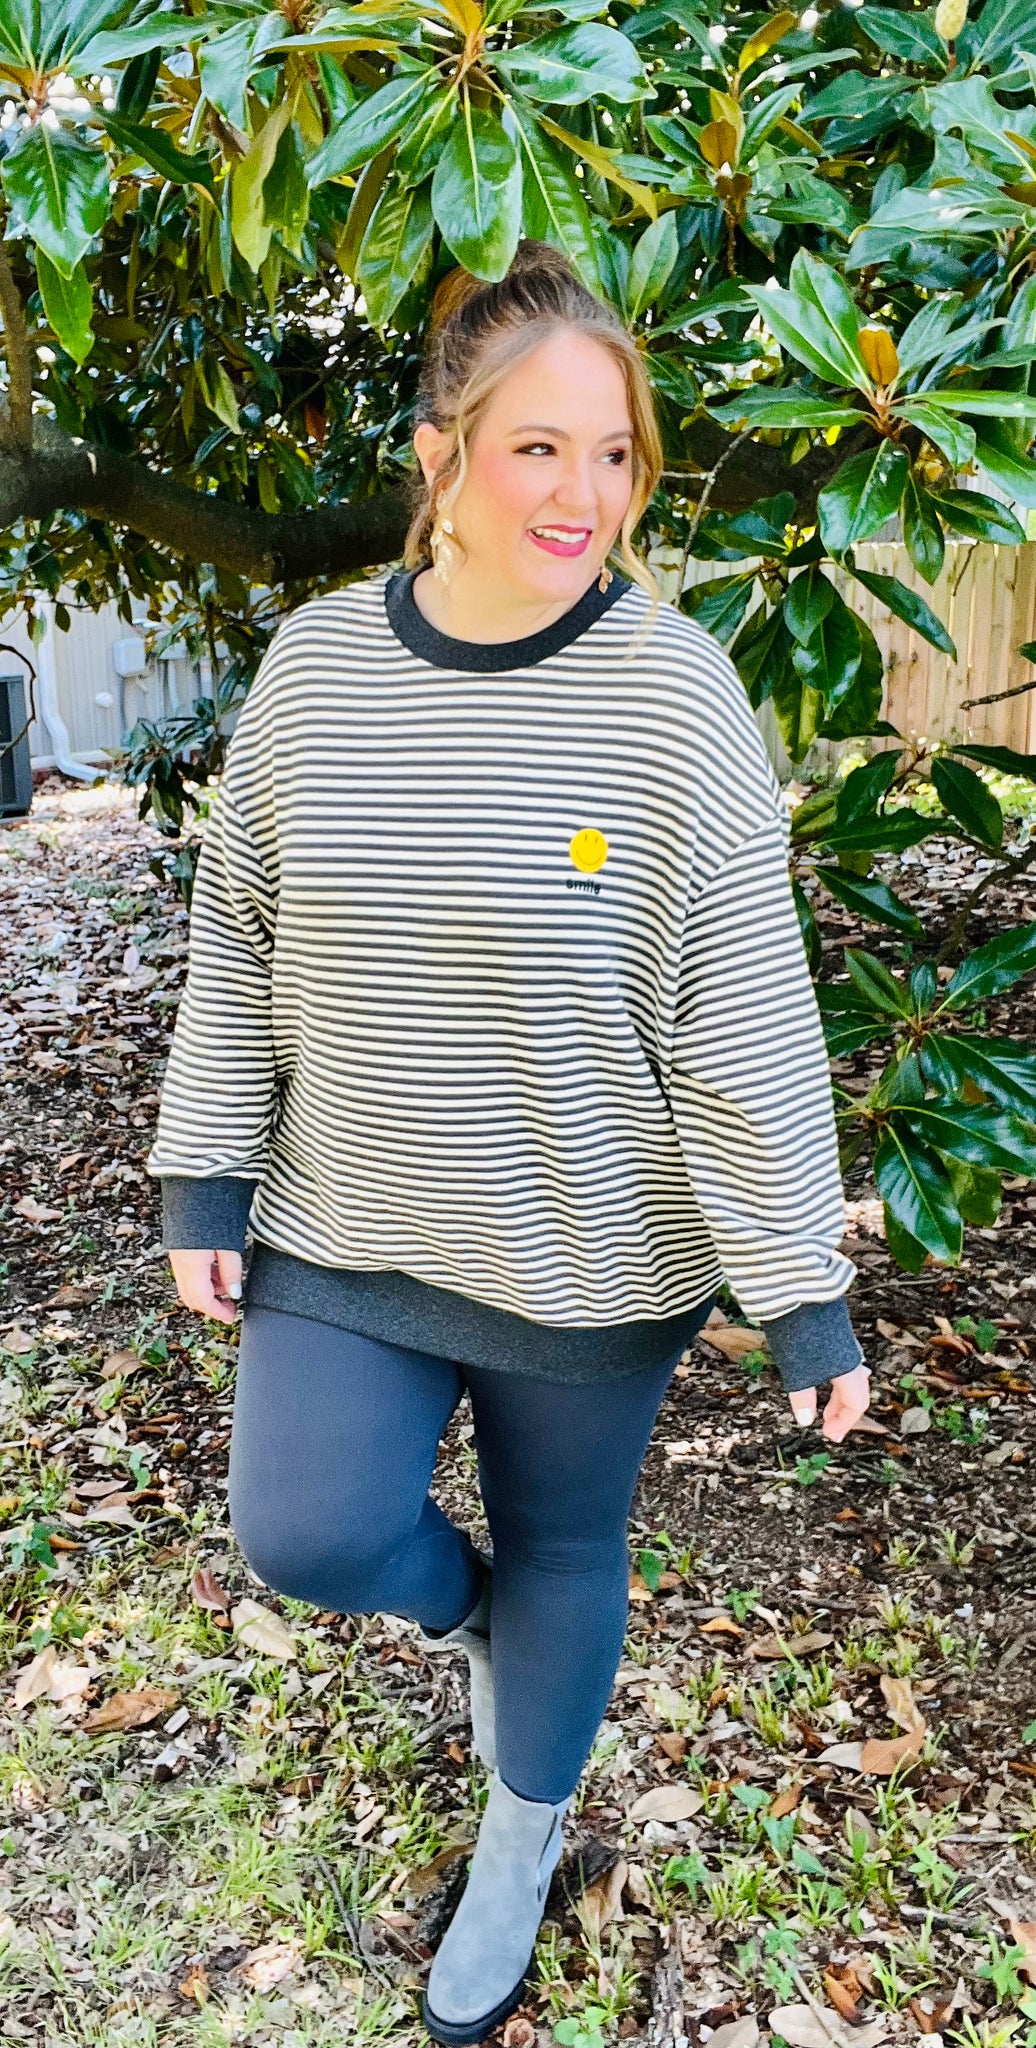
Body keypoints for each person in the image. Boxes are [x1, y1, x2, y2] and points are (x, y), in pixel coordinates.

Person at [147, 241, 871, 2045]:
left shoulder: (671, 696)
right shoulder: (315, 673)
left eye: (614, 454)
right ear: (440, 454)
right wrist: (203, 1170)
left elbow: (739, 1006)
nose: (582, 494)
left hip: (589, 1245)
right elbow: (242, 933)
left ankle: (519, 1835)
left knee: (567, 1550)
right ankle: (469, 1627)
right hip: (351, 1214)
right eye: (538, 446)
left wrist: (798, 1290)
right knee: (308, 1532)